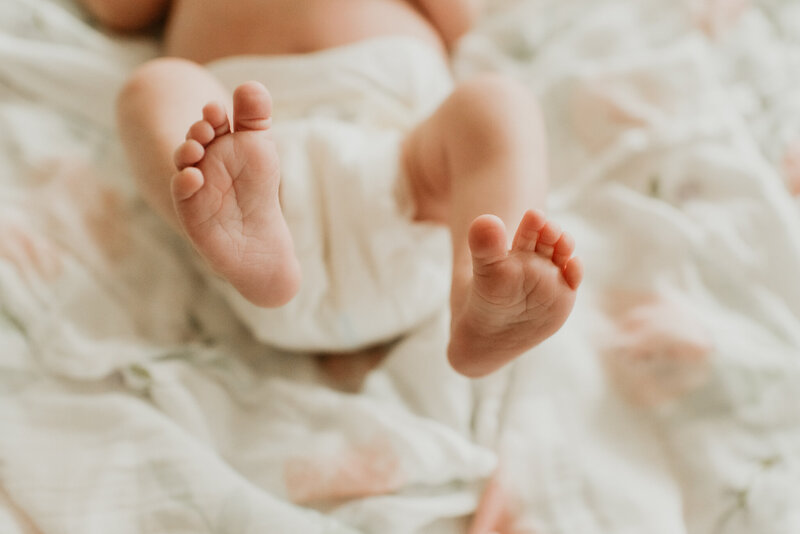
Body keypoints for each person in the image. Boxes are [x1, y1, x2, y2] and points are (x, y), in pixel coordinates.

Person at [83, 0, 583, 378]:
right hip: (245, 167)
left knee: (496, 103)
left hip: (406, 173)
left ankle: (482, 290)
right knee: (155, 89)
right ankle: (246, 247)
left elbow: (460, 20)